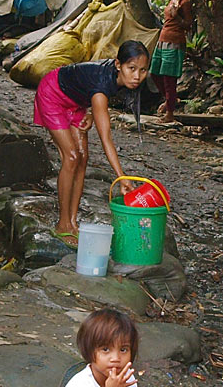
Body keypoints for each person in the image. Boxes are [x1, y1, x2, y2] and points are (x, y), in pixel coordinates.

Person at [33, 41, 149, 247]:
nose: (137, 76)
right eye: (131, 69)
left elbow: (88, 88)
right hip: (52, 93)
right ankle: (62, 225)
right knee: (71, 157)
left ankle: (72, 222)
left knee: (83, 158)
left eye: (142, 70)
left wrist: (92, 116)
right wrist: (121, 177)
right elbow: (106, 139)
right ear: (118, 65)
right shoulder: (101, 87)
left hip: (75, 101)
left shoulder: (110, 81)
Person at [150, 0, 193, 123]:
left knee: (169, 78)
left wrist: (177, 17)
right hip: (163, 41)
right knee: (154, 73)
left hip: (174, 42)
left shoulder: (184, 2)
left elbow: (188, 25)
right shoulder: (173, 0)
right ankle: (171, 101)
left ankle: (170, 113)